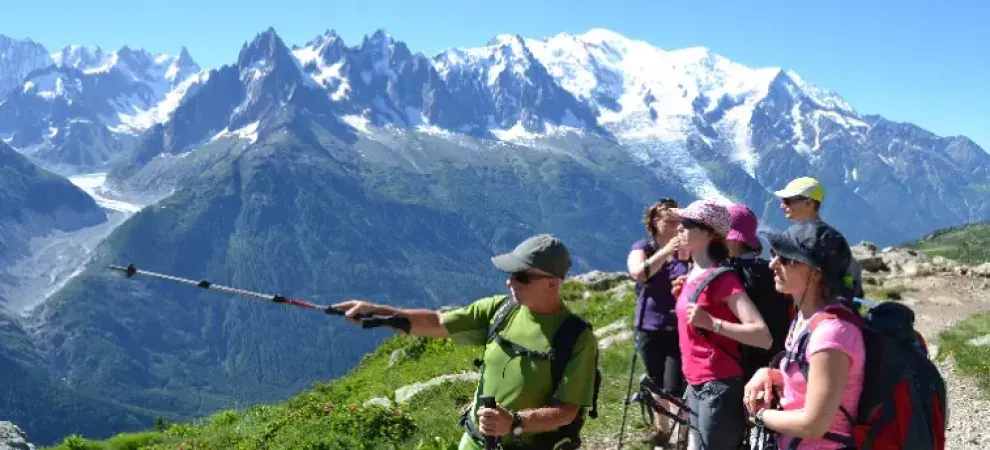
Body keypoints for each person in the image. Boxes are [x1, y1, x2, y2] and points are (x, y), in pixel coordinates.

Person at [334, 234, 599, 450]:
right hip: (474, 441)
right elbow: (439, 322)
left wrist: (516, 422)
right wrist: (380, 314)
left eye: (522, 276)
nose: (509, 281)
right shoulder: (500, 310)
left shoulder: (575, 337)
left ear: (553, 284)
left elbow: (567, 410)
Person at [744, 220, 866, 449]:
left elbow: (814, 425)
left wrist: (759, 416)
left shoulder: (832, 334)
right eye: (774, 254)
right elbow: (807, 381)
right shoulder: (805, 319)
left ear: (816, 272)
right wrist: (769, 373)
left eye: (786, 259)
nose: (772, 264)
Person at [671, 199, 773, 450]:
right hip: (695, 383)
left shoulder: (724, 278)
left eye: (687, 223)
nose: (679, 228)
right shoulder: (692, 275)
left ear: (707, 232)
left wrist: (712, 323)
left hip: (717, 384)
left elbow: (762, 336)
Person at [626, 198, 691, 445]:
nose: (676, 225)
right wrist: (667, 251)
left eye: (679, 221)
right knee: (655, 381)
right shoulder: (645, 246)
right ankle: (661, 429)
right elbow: (639, 273)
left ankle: (679, 434)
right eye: (670, 220)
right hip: (649, 325)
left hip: (679, 326)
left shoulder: (687, 250)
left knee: (675, 384)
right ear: (655, 222)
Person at [725, 204, 793, 373]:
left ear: (732, 238)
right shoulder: (772, 270)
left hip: (739, 359)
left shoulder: (728, 274)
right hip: (776, 355)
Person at [773, 176, 864, 299]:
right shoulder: (834, 238)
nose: (782, 206)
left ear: (808, 203)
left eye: (787, 201)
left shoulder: (793, 238)